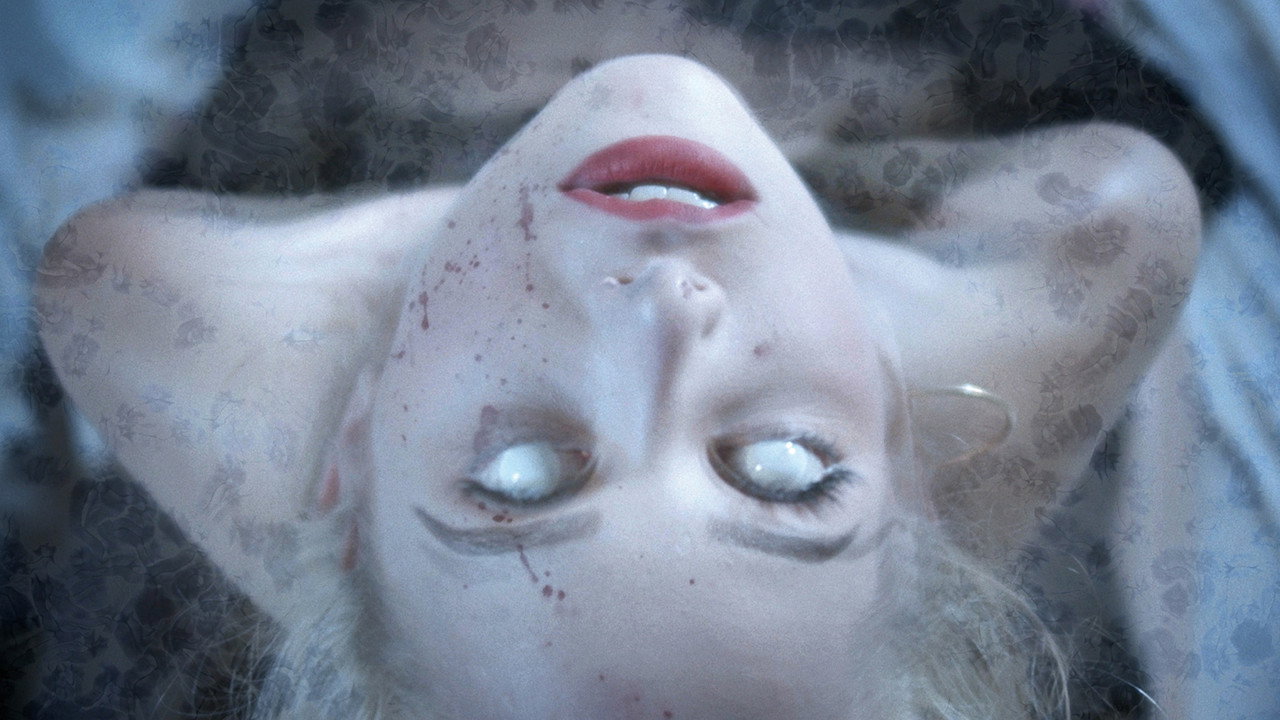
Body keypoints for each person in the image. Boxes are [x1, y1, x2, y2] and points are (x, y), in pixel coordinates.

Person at [34, 53, 1198, 719]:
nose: (664, 312)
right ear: (904, 455)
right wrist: (855, 294)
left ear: (350, 450)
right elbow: (1127, 195)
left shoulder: (306, 432)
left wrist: (434, 270)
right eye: (783, 470)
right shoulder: (1038, 288)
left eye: (519, 475)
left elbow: (102, 275)